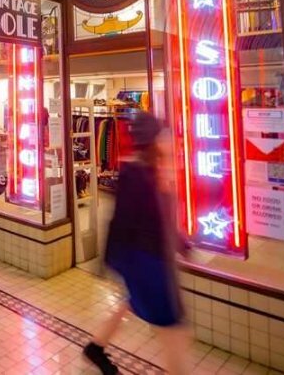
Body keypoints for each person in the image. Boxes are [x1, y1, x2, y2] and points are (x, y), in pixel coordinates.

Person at [83, 112, 191, 374]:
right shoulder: (138, 175)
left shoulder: (152, 172)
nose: (167, 141)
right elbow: (123, 221)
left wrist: (180, 244)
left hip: (147, 260)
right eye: (162, 136)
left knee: (131, 305)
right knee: (173, 330)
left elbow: (160, 219)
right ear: (153, 140)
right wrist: (109, 261)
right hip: (146, 263)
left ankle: (96, 347)